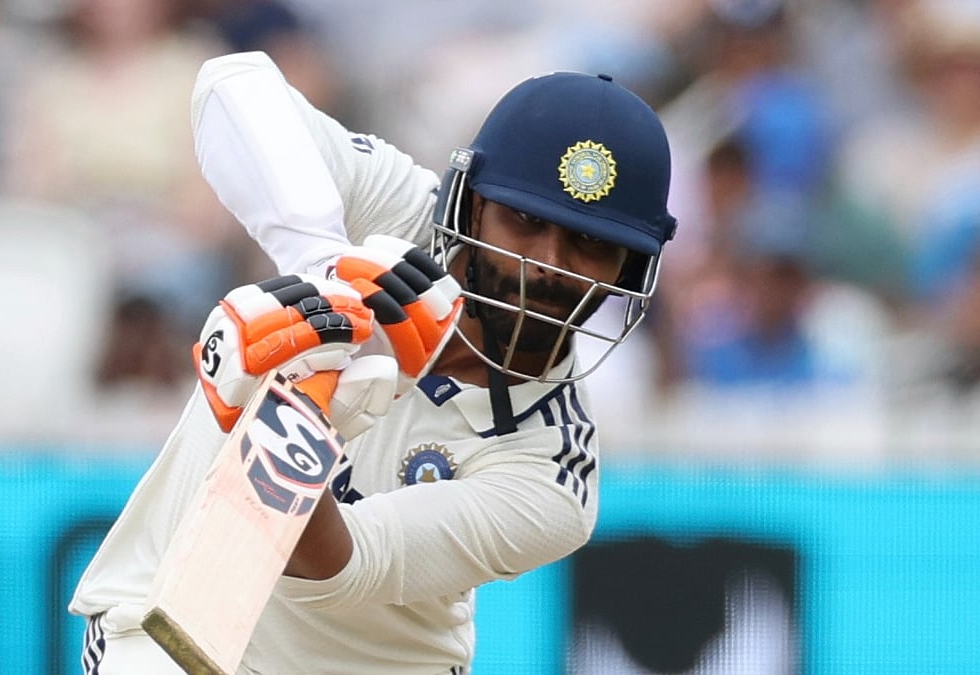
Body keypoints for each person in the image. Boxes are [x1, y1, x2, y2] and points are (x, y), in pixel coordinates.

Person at [70, 51, 678, 673]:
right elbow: (229, 84)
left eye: (592, 244)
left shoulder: (552, 469)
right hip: (154, 627)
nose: (545, 263)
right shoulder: (400, 211)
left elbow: (343, 566)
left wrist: (292, 417)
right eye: (522, 220)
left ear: (629, 270)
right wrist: (319, 260)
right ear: (470, 204)